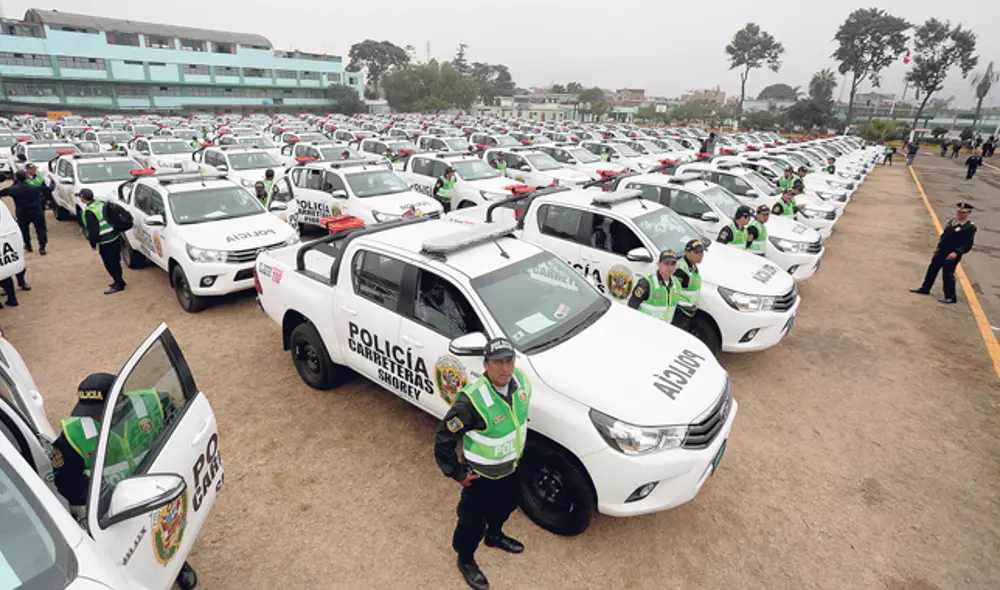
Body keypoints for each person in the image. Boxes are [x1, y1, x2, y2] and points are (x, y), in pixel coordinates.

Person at [51, 372, 199, 590]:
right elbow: (68, 485)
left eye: (100, 411)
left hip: (154, 486)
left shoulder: (153, 403)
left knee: (167, 529)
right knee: (128, 551)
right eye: (89, 412)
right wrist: (105, 496)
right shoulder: (73, 436)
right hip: (114, 507)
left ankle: (177, 564)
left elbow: (180, 430)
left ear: (120, 399)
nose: (95, 418)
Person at [434, 338, 530, 590]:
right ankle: (465, 559)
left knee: (507, 505)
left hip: (511, 468)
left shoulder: (522, 382)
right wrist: (457, 473)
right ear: (486, 365)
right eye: (498, 362)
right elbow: (443, 439)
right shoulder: (471, 402)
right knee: (471, 522)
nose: (505, 368)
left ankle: (494, 535)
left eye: (509, 360)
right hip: (481, 477)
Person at [910, 202, 977, 304]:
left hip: (952, 254)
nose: (960, 214)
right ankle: (925, 288)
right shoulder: (952, 222)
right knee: (932, 269)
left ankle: (950, 296)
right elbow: (944, 236)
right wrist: (939, 246)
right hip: (942, 251)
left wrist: (957, 252)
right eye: (959, 212)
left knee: (948, 274)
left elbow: (967, 243)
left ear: (969, 213)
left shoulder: (969, 227)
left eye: (963, 213)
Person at [79, 188, 126, 295]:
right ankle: (119, 280)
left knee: (110, 263)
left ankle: (119, 283)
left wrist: (93, 243)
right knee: (115, 260)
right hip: (114, 236)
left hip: (105, 241)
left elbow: (93, 230)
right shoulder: (100, 203)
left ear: (82, 198)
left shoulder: (89, 212)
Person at [0, 170, 48, 256]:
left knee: (24, 230)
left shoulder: (14, 190)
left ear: (16, 178)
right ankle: (42, 247)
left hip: (22, 212)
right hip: (36, 211)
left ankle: (28, 246)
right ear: (26, 178)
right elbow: (48, 190)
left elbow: (2, 193)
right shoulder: (34, 188)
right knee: (41, 229)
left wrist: (14, 184)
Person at [627, 250, 681, 322]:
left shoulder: (677, 284)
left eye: (673, 264)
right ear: (659, 264)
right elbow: (631, 306)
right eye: (666, 263)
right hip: (645, 327)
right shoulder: (646, 284)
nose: (669, 267)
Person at [672, 240, 705, 331]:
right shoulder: (681, 271)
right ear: (687, 253)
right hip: (679, 312)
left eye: (702, 252)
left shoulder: (692, 265)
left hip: (688, 311)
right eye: (697, 252)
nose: (701, 255)